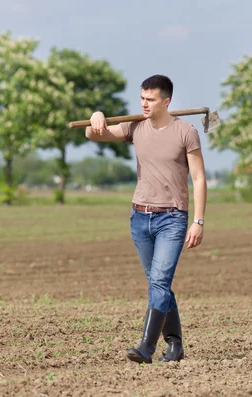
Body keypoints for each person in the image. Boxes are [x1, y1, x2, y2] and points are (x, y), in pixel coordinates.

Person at [85, 74, 207, 364]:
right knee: (157, 283)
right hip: (139, 218)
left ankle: (146, 347)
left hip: (172, 219)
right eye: (142, 98)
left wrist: (198, 221)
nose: (144, 104)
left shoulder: (185, 132)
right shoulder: (134, 126)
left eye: (150, 99)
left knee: (160, 282)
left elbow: (199, 178)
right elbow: (93, 135)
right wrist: (96, 118)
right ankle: (175, 344)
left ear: (166, 101)